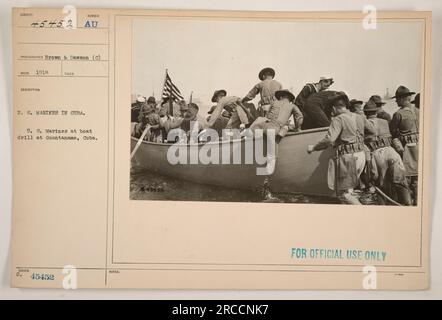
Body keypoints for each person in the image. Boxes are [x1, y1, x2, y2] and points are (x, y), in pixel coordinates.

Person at [307, 92, 375, 204]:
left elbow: (329, 140)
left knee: (344, 194)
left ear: (334, 108)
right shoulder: (360, 117)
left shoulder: (338, 119)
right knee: (350, 190)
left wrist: (314, 147)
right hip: (361, 156)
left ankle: (362, 214)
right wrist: (360, 140)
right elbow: (372, 131)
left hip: (348, 159)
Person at [363, 100, 412, 205]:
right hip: (391, 151)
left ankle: (386, 208)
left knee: (382, 185)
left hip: (377, 154)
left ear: (365, 113)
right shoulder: (384, 122)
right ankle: (408, 204)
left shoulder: (365, 124)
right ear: (376, 111)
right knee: (400, 181)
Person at [389, 85, 419, 204]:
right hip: (420, 147)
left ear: (402, 99)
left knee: (404, 178)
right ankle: (417, 203)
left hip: (407, 149)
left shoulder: (398, 114)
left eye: (397, 98)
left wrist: (398, 147)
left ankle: (407, 204)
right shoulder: (419, 111)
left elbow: (393, 132)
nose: (396, 101)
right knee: (417, 179)